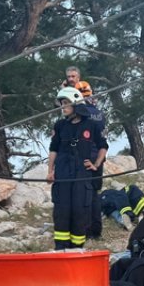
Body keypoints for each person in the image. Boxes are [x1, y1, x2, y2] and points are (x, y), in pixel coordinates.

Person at [47, 87, 108, 250]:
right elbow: (54, 149)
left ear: (76, 104)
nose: (62, 107)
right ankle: (60, 249)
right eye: (61, 103)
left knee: (80, 213)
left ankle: (76, 249)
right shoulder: (60, 126)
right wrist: (50, 171)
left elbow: (103, 146)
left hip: (82, 176)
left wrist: (96, 164)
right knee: (61, 212)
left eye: (65, 103)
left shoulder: (91, 125)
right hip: (63, 175)